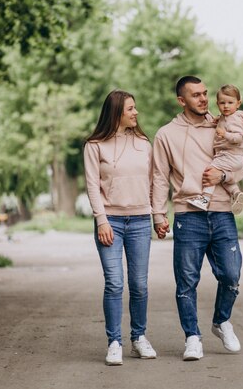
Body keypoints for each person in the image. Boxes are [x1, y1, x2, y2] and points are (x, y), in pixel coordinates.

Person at [152, 76, 243, 361]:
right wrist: (159, 214)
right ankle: (192, 337)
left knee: (231, 275)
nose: (204, 99)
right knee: (186, 283)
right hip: (187, 215)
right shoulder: (166, 134)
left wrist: (224, 176)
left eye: (205, 93)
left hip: (222, 212)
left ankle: (221, 321)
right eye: (196, 95)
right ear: (181, 100)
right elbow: (159, 177)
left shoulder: (223, 125)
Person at [84, 89, 157, 366]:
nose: (136, 113)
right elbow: (92, 184)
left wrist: (157, 215)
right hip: (110, 222)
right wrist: (101, 219)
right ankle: (114, 342)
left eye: (135, 108)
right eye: (130, 109)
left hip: (140, 220)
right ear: (116, 113)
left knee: (139, 284)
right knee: (114, 283)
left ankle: (139, 338)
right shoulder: (94, 145)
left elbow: (153, 182)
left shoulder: (143, 143)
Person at [186, 84, 243, 215]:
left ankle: (205, 199)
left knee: (211, 171)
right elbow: (224, 122)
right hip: (231, 157)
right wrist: (218, 120)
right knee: (222, 178)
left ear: (238, 104)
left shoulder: (235, 118)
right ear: (217, 103)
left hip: (230, 155)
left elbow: (239, 137)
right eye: (222, 103)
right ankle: (236, 193)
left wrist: (225, 134)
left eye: (230, 103)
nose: (226, 106)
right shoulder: (225, 117)